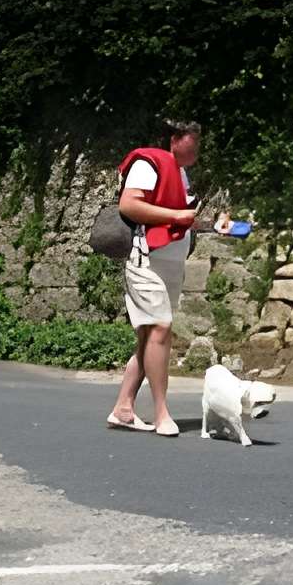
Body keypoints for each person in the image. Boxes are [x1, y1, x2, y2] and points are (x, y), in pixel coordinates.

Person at [107, 119, 223, 437]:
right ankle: (161, 414)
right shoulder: (149, 162)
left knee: (149, 338)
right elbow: (129, 205)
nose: (198, 147)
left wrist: (210, 225)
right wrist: (176, 215)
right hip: (145, 260)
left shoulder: (179, 172)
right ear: (174, 139)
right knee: (160, 329)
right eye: (193, 140)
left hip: (169, 262)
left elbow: (179, 219)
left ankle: (123, 408)